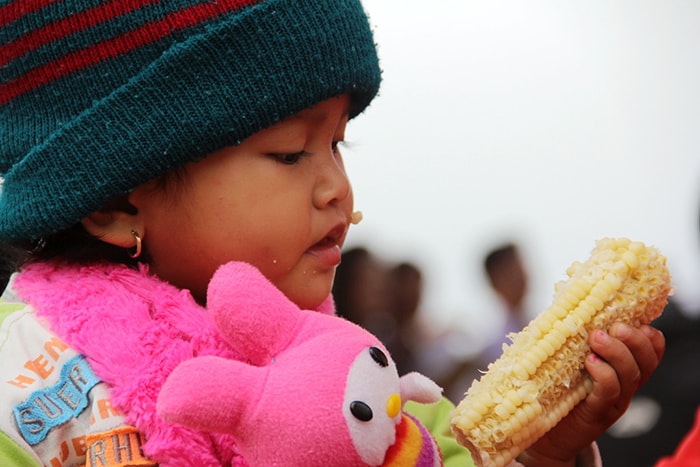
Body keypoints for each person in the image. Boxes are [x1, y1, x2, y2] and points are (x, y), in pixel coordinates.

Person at [0, 0, 664, 466]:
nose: (337, 189)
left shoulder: (350, 371)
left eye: (339, 144)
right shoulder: (28, 387)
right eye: (291, 153)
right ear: (115, 204)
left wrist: (543, 452)